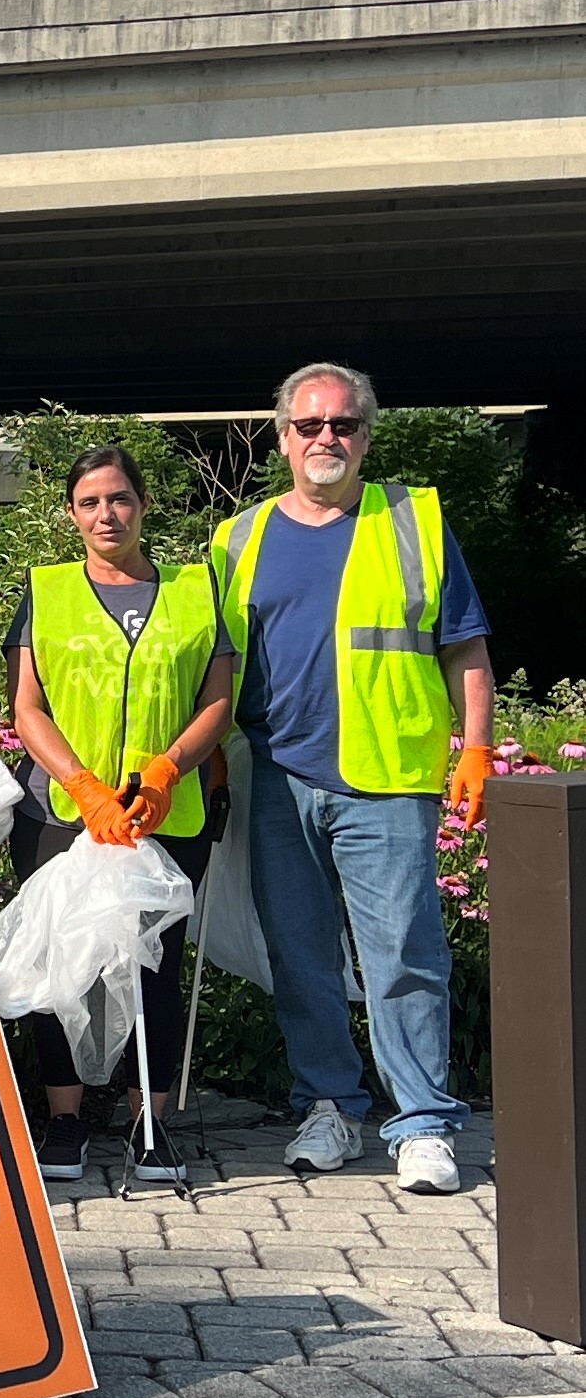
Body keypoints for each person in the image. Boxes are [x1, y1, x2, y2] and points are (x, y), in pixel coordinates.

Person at [212, 363, 491, 1193]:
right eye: (309, 425)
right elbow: (216, 664)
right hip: (276, 777)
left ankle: (424, 1122)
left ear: (366, 434)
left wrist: (475, 746)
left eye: (342, 423)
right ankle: (329, 1104)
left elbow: (465, 646)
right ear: (282, 437)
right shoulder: (239, 536)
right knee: (300, 958)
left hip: (386, 778)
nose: (325, 437)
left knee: (403, 953)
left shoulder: (415, 522)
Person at [6, 445, 234, 1186]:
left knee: (156, 969)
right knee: (60, 965)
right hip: (64, 813)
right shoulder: (46, 590)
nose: (107, 514)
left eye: (120, 499)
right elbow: (27, 706)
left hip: (167, 814)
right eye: (91, 502)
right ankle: (67, 1118)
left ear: (142, 504)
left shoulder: (197, 593)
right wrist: (81, 787)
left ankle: (150, 1121)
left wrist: (170, 768)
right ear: (72, 514)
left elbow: (218, 699)